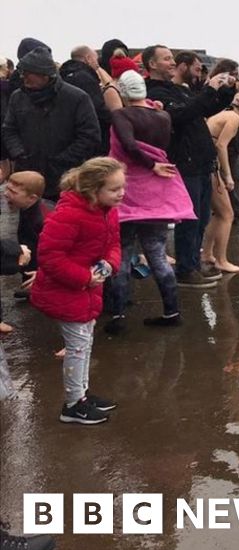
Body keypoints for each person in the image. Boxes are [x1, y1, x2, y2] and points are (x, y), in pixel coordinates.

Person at [30, 157, 124, 424]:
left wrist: (109, 264)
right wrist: (84, 278)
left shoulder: (108, 210)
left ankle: (81, 395)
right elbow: (49, 256)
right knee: (78, 347)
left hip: (87, 289)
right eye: (115, 189)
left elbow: (114, 244)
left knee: (85, 341)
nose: (122, 194)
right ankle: (73, 404)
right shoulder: (69, 214)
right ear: (93, 190)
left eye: (121, 187)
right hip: (66, 291)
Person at [105, 70, 196, 333]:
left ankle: (118, 316)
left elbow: (130, 146)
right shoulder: (162, 115)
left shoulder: (121, 115)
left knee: (121, 254)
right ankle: (172, 311)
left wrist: (150, 164)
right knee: (157, 253)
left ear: (123, 93)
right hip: (158, 192)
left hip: (128, 189)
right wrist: (156, 164)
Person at [144, 45, 233, 288]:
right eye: (166, 59)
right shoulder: (154, 92)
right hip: (185, 163)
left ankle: (193, 264)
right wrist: (209, 90)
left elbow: (203, 108)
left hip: (201, 162)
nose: (172, 62)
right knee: (189, 219)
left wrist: (225, 91)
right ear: (151, 64)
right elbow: (182, 115)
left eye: (172, 58)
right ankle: (186, 269)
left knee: (202, 217)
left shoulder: (177, 89)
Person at [2, 46, 101, 202]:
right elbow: (9, 129)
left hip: (64, 177)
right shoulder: (18, 97)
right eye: (22, 73)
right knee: (27, 223)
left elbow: (89, 136)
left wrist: (62, 160)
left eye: (28, 73)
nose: (23, 77)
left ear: (45, 75)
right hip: (27, 176)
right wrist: (19, 153)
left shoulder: (76, 98)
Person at [204, 91, 239, 273]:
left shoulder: (223, 114)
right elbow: (221, 145)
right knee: (227, 214)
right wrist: (228, 175)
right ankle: (221, 260)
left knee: (218, 213)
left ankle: (207, 253)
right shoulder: (234, 119)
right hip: (210, 166)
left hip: (204, 164)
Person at [59, 45, 116, 155]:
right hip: (89, 139)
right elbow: (96, 107)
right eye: (95, 58)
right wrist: (114, 120)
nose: (97, 62)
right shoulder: (85, 78)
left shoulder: (62, 77)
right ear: (88, 58)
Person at [3, 171, 49, 301]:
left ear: (32, 198)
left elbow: (52, 251)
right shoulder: (25, 207)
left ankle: (41, 291)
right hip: (30, 251)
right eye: (7, 188)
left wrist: (43, 273)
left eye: (13, 192)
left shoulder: (42, 219)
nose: (6, 194)